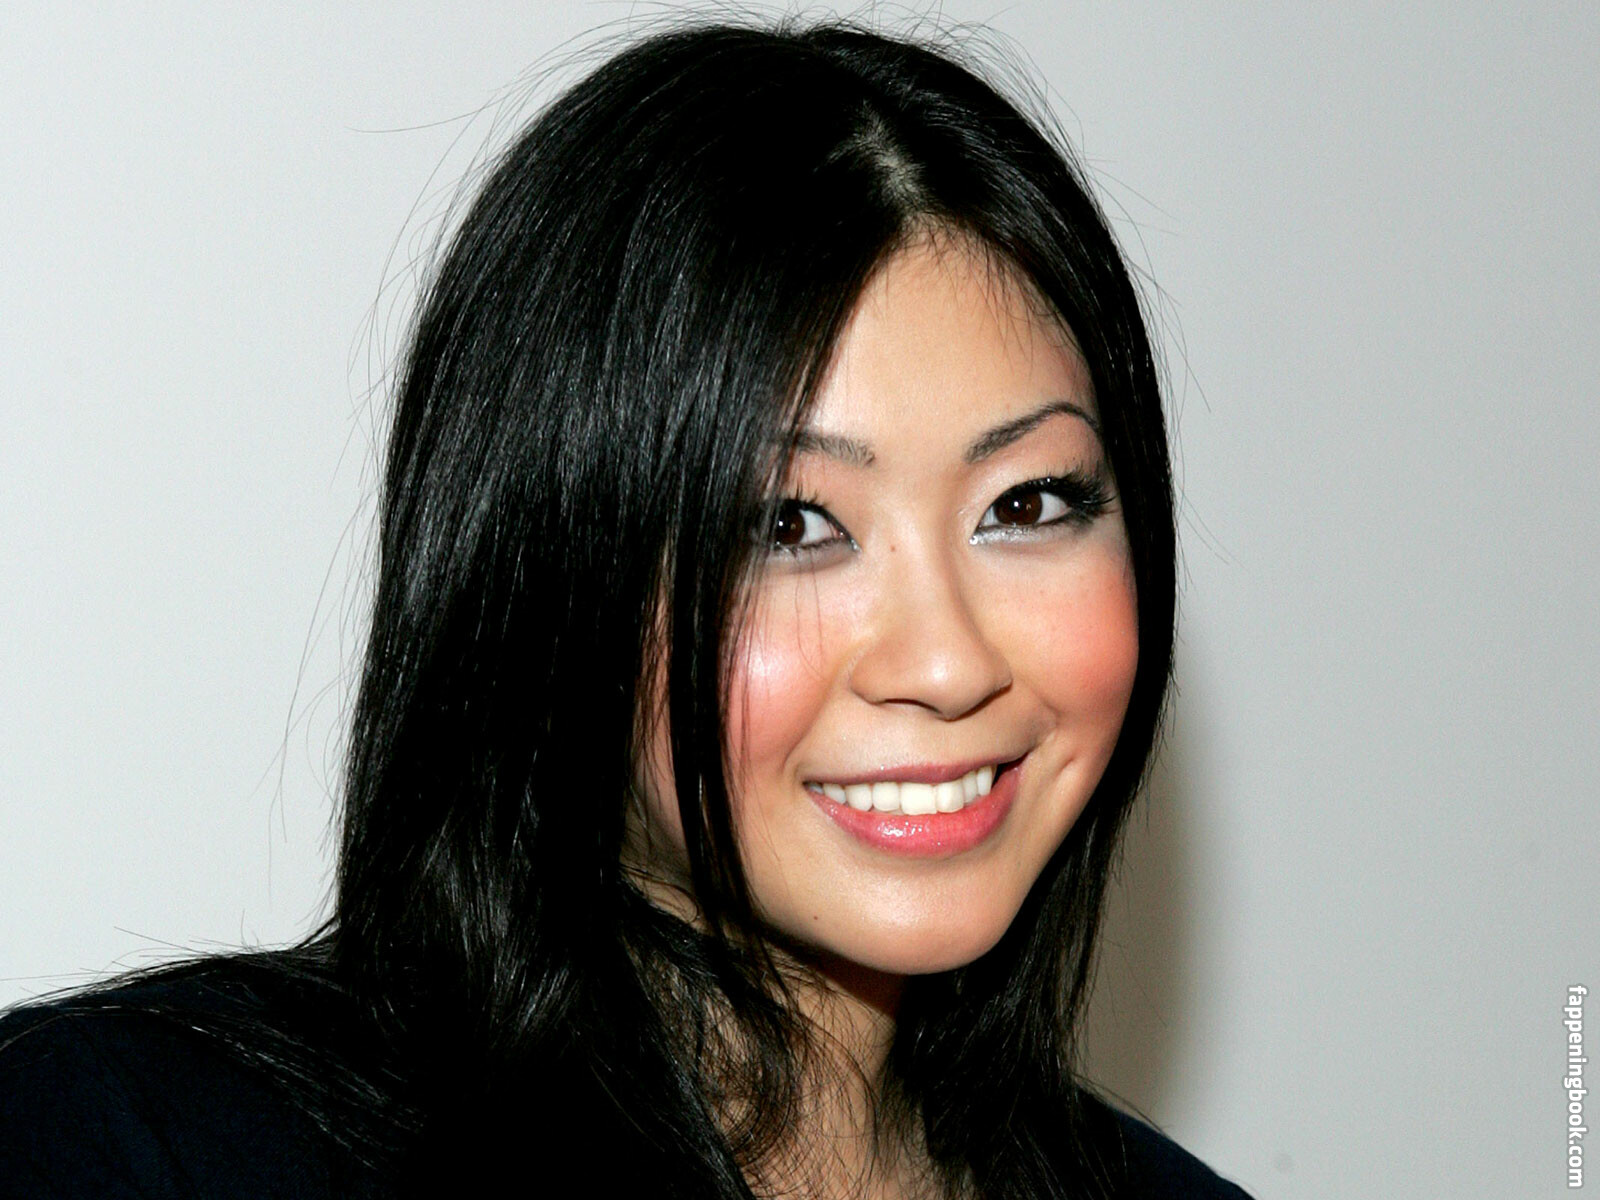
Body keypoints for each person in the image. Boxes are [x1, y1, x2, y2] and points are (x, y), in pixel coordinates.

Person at [0, 20, 1253, 1200]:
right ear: (548, 585)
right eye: (786, 526)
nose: (945, 661)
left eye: (1026, 504)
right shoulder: (131, 1146)